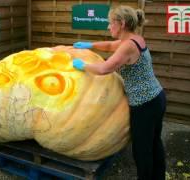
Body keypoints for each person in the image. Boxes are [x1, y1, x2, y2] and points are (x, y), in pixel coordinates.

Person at [72, 5, 167, 180]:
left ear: (121, 23)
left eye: (110, 23)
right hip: (156, 97)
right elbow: (109, 45)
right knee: (154, 142)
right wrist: (90, 45)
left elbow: (104, 69)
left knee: (142, 149)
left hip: (145, 104)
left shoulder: (127, 47)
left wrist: (82, 66)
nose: (108, 27)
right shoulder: (135, 39)